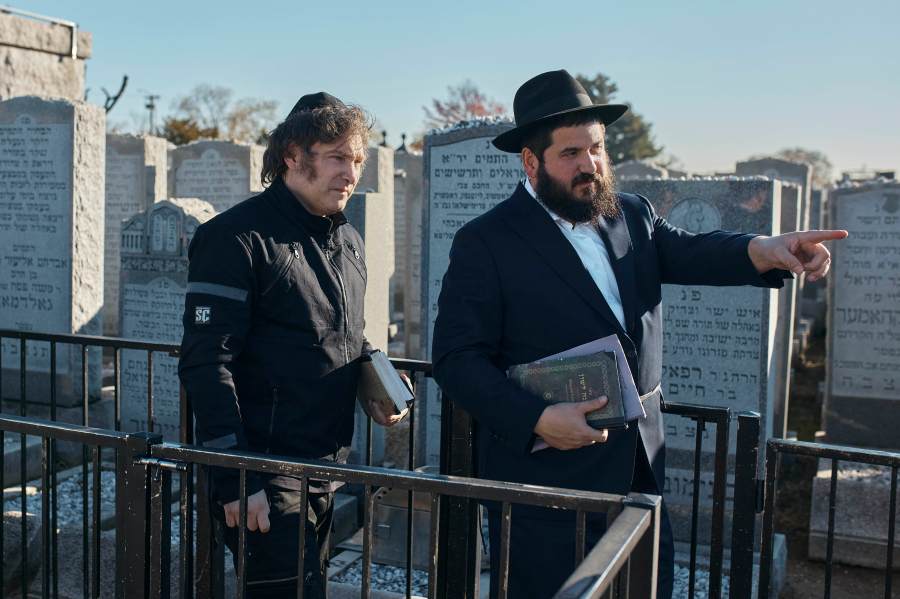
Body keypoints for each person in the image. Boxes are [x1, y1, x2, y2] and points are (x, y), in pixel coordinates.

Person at [430, 69, 846, 599]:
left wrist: (766, 249)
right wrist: (536, 419)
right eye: (571, 153)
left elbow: (692, 251)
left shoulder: (629, 214)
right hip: (545, 485)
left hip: (639, 470)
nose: (590, 165)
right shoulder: (485, 242)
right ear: (530, 162)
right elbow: (457, 359)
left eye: (597, 149)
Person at [178, 91, 401, 598]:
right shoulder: (235, 238)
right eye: (338, 157)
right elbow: (206, 362)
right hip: (266, 473)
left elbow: (342, 333)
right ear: (293, 157)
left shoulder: (344, 238)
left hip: (325, 464)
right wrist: (236, 476)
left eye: (358, 160)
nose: (351, 173)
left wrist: (378, 380)